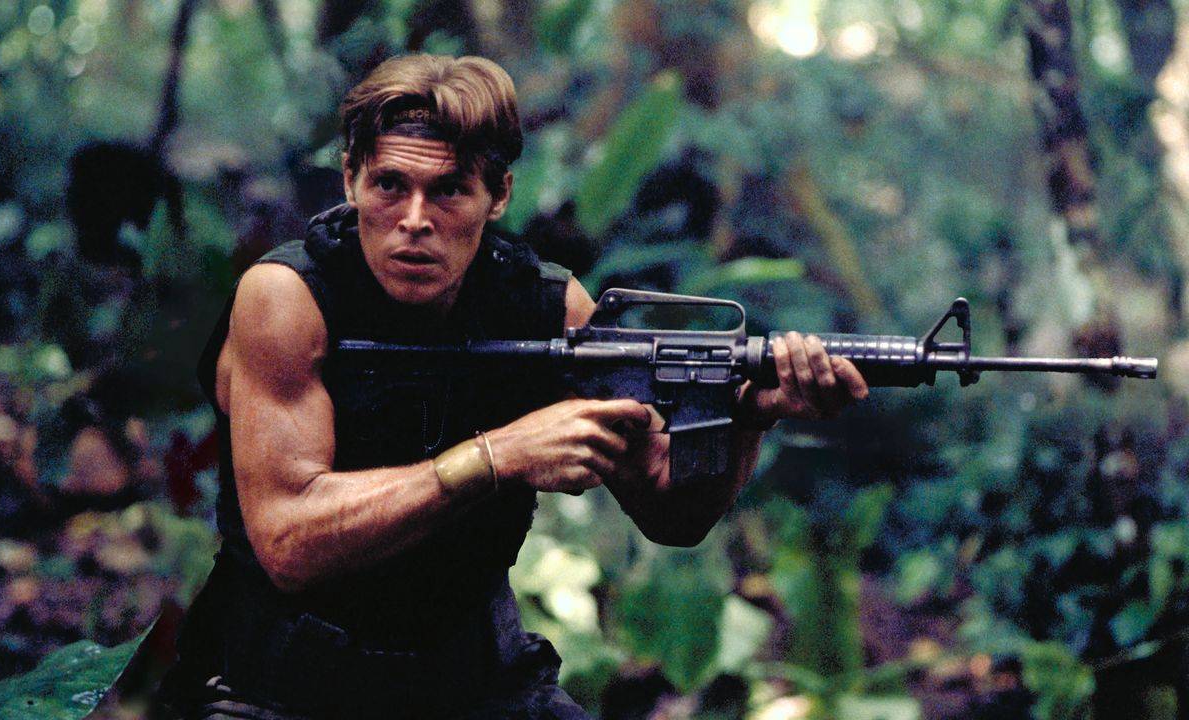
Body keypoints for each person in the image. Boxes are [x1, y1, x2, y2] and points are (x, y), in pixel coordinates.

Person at [155, 53, 869, 719]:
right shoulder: (289, 298)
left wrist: (746, 416)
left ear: (498, 195)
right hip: (287, 691)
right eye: (390, 185)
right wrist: (496, 455)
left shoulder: (548, 309)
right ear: (351, 181)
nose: (414, 221)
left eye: (449, 191)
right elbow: (289, 543)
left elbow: (672, 517)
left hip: (477, 681)